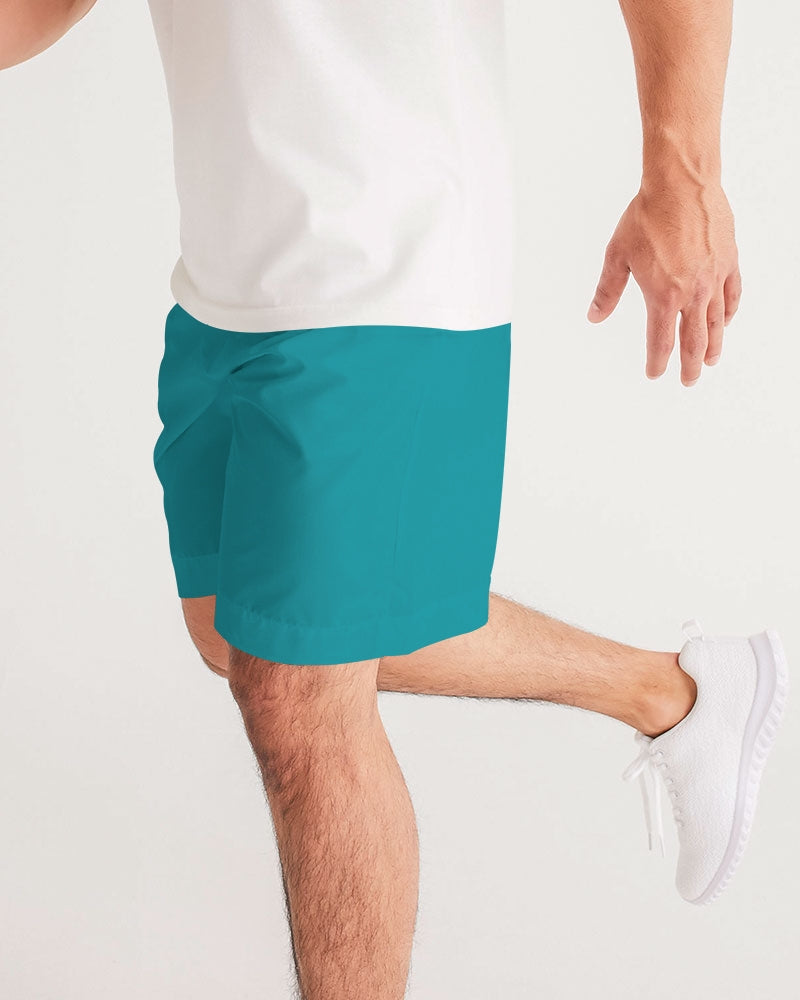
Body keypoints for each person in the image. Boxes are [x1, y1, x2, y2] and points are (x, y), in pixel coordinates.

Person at [2, 2, 788, 998]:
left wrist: (685, 170)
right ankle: (672, 693)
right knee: (235, 627)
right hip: (229, 275)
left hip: (384, 253)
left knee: (297, 689)